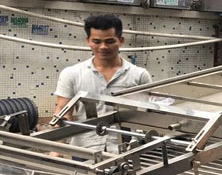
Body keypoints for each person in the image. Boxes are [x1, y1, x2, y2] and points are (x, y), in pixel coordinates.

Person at [54, 14, 151, 153]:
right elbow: (63, 113)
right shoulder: (71, 74)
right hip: (85, 149)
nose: (103, 47)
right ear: (88, 41)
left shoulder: (139, 75)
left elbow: (147, 116)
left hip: (128, 149)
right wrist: (56, 150)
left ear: (121, 40)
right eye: (97, 41)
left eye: (110, 41)